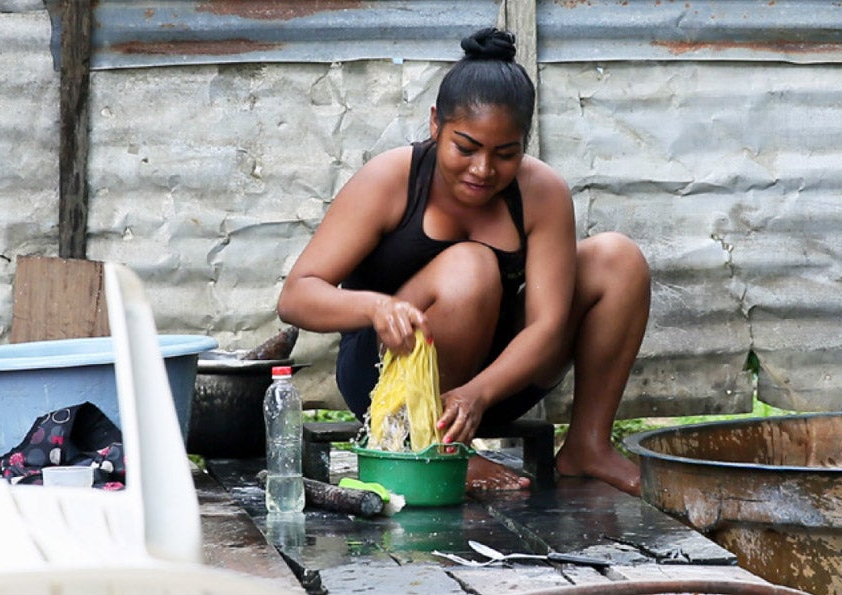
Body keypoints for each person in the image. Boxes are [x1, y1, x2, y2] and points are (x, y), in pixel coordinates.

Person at [277, 27, 650, 497]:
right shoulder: (392, 179)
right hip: (387, 382)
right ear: (436, 124)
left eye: (506, 154)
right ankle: (433, 446)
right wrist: (375, 309)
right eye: (466, 148)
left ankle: (587, 447)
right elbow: (296, 294)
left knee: (617, 259)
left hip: (489, 388)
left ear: (523, 143)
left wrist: (480, 392)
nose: (483, 170)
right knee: (471, 266)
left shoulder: (542, 192)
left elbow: (547, 327)